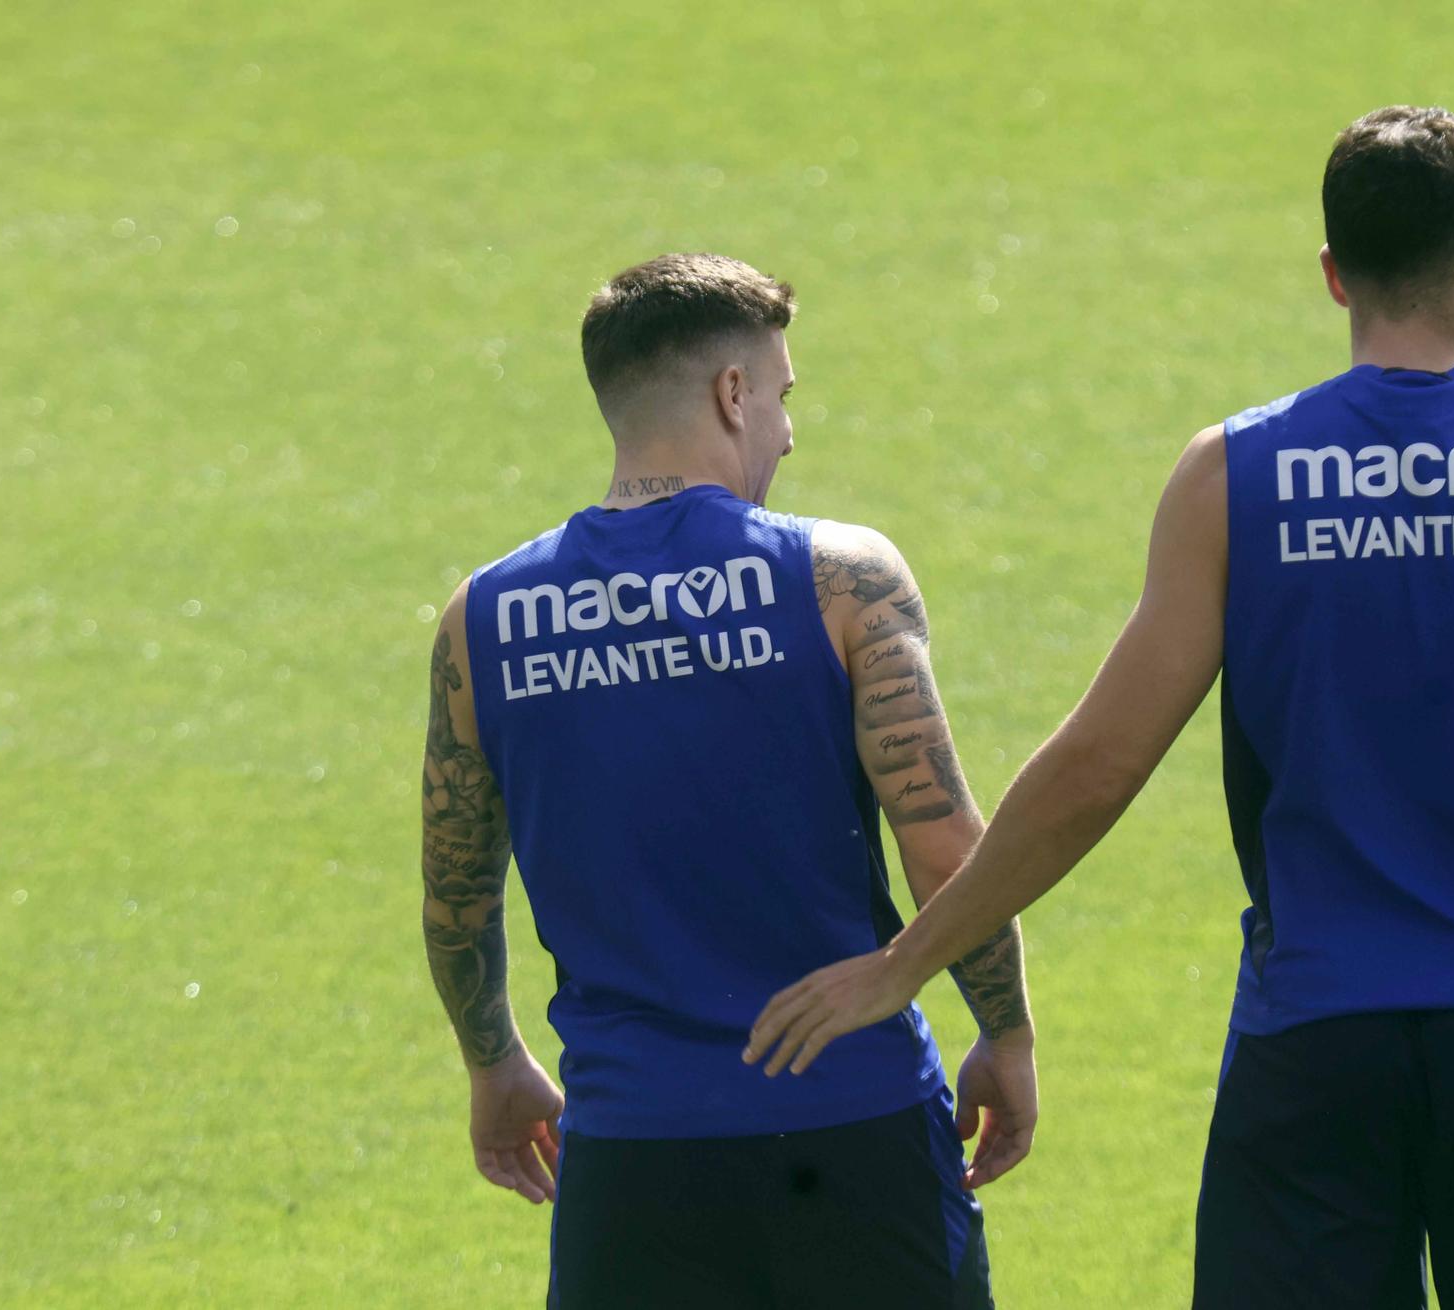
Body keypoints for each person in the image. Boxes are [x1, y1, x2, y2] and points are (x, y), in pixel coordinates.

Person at [745, 107, 1454, 1308]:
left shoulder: (1237, 474)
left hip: (1318, 1029)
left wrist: (910, 960)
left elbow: (1101, 761)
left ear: (1332, 274)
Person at [418, 252, 1034, 1309]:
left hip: (632, 1147)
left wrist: (494, 1060)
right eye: (783, 394)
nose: (789, 430)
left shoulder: (484, 619)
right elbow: (943, 850)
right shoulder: (840, 578)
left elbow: (456, 891)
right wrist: (1006, 1033)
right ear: (731, 392)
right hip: (857, 1118)